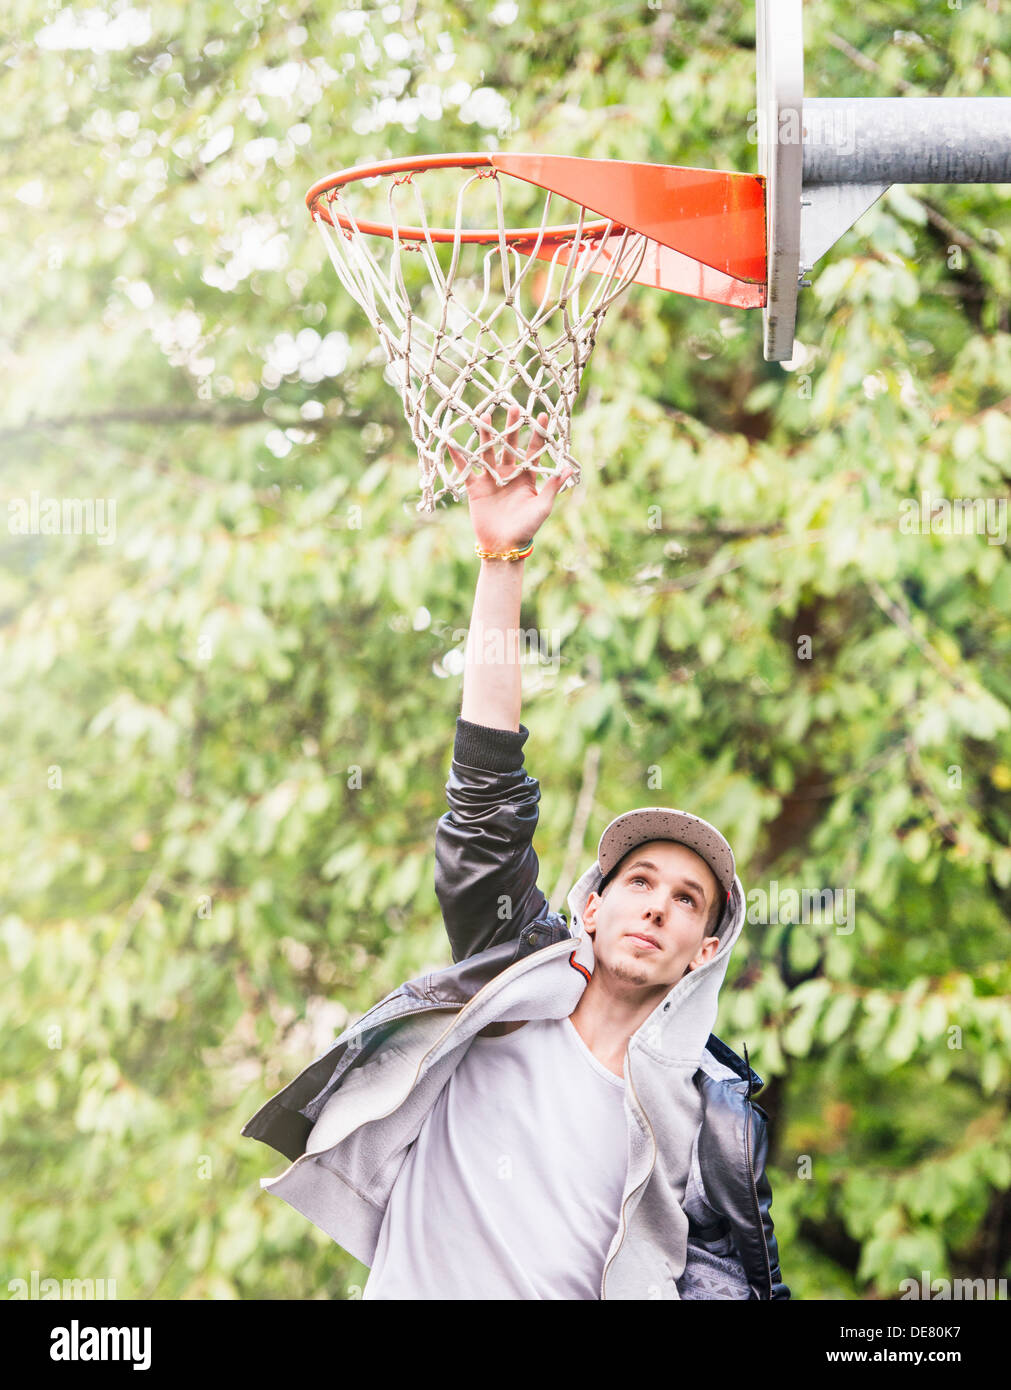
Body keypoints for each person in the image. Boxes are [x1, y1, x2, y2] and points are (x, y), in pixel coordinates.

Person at [241, 410, 789, 1300]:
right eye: (639, 881)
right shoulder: (503, 992)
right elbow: (486, 795)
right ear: (591, 905)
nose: (656, 904)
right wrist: (500, 564)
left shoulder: (712, 1122)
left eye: (688, 901)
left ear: (708, 949)